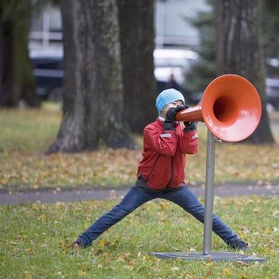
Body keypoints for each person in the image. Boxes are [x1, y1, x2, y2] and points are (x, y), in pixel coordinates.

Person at [72, 88, 249, 251]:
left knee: (203, 213)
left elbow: (190, 149)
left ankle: (234, 241)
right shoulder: (151, 129)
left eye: (181, 104)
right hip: (147, 185)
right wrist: (170, 125)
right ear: (162, 108)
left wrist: (190, 127)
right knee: (119, 212)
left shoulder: (180, 128)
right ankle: (83, 241)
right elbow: (167, 149)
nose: (178, 107)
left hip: (175, 186)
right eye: (173, 104)